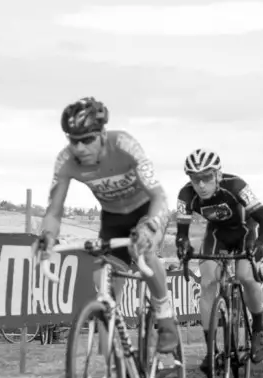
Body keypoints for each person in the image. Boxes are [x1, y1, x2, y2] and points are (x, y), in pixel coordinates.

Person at [34, 97, 177, 354]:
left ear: (102, 133)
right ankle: (115, 371)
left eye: (87, 139)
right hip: (112, 219)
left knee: (143, 252)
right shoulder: (66, 161)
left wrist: (150, 226)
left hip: (146, 211)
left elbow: (159, 196)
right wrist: (47, 237)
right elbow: (54, 210)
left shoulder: (124, 145)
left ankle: (164, 315)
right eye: (73, 140)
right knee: (103, 284)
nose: (79, 147)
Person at [175, 148, 263, 373]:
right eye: (195, 178)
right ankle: (212, 351)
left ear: (218, 175)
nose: (201, 184)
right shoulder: (185, 194)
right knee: (208, 281)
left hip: (245, 232)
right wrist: (183, 244)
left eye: (207, 178)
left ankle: (258, 329)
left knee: (245, 276)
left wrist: (259, 244)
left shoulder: (236, 186)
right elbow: (182, 232)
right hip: (216, 235)